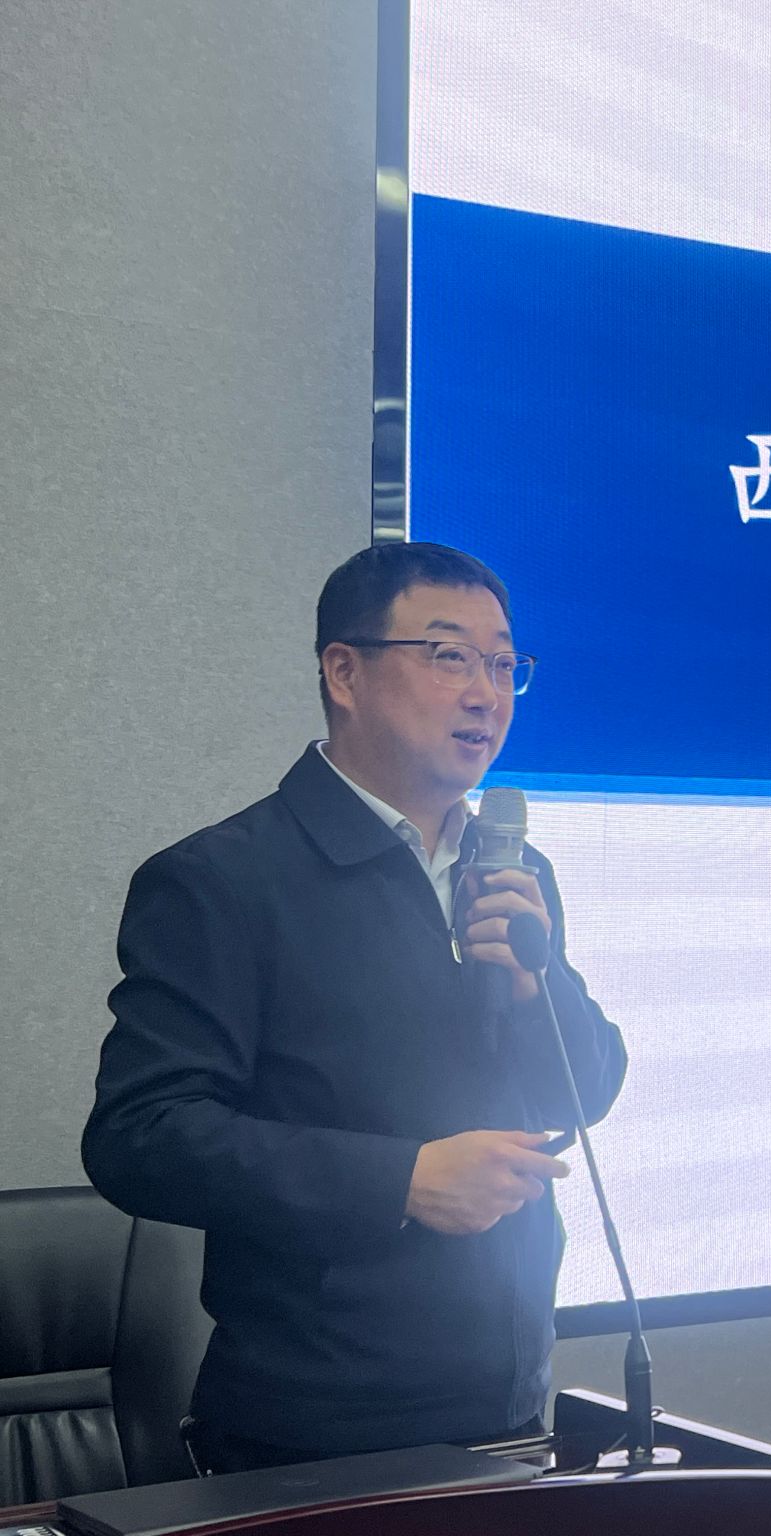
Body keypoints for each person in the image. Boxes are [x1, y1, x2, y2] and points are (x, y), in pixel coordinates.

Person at [82, 542, 628, 1473]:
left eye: (504, 665)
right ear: (344, 672)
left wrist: (536, 985)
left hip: (508, 1403)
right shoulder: (224, 880)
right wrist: (402, 1181)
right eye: (450, 655)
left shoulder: (512, 870)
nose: (486, 694)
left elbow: (579, 1093)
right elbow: (140, 1137)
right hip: (315, 1432)